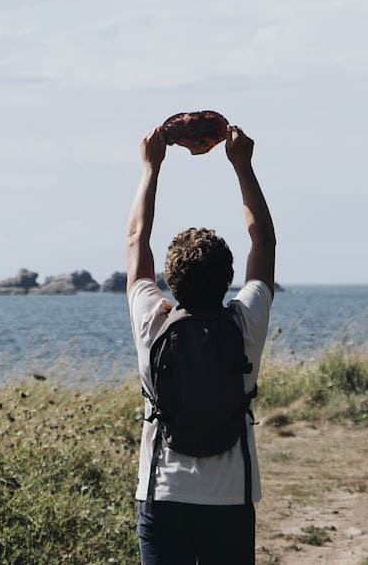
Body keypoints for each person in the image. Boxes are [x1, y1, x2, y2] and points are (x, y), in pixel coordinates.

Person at [126, 121, 276, 564]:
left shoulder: (152, 322)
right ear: (229, 279)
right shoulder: (245, 323)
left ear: (169, 280)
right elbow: (263, 240)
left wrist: (151, 168)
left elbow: (137, 239)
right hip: (231, 498)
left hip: (162, 494)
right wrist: (242, 165)